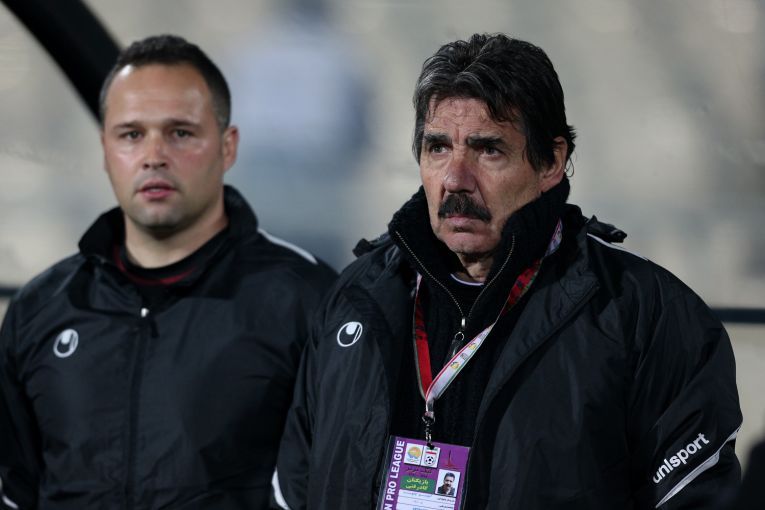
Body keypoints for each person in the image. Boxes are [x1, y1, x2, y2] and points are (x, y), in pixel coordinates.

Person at [274, 34, 742, 509]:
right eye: (438, 148)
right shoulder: (356, 298)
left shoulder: (646, 315)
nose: (456, 179)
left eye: (488, 150)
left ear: (552, 162)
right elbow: (295, 490)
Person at [0, 35, 336, 509]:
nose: (154, 155)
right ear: (105, 150)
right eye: (131, 135)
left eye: (180, 133)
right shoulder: (41, 308)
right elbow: (15, 490)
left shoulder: (307, 302)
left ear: (227, 147)